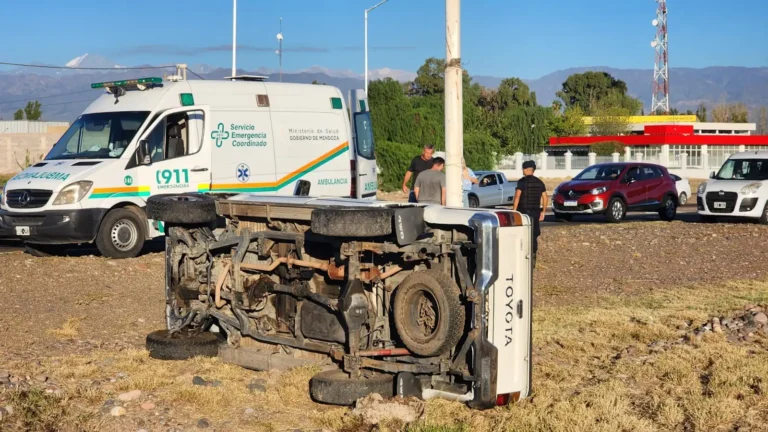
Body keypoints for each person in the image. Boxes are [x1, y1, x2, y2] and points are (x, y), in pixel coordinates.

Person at [513, 160, 548, 267]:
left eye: (523, 169)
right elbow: (545, 197)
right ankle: (533, 257)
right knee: (534, 235)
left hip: (523, 213)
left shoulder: (522, 182)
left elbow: (517, 196)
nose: (522, 171)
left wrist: (514, 211)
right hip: (535, 213)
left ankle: (523, 257)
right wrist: (544, 211)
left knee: (522, 235)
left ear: (527, 169)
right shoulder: (540, 182)